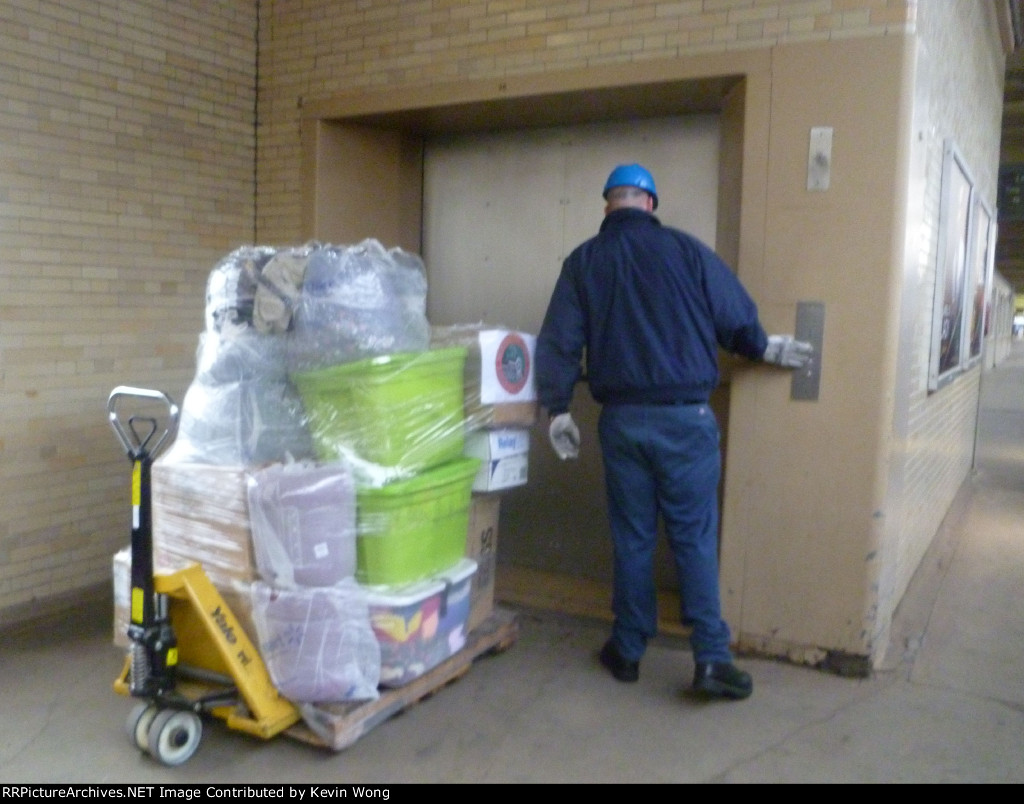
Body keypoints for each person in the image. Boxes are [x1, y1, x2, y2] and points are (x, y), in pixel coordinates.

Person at [535, 163, 812, 700]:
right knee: (693, 538)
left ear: (606, 206)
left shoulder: (585, 261)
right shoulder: (687, 252)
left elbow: (560, 340)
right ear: (652, 205)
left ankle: (628, 648)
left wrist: (558, 408)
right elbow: (734, 317)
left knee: (633, 537)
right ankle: (710, 658)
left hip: (621, 423)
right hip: (686, 420)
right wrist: (762, 346)